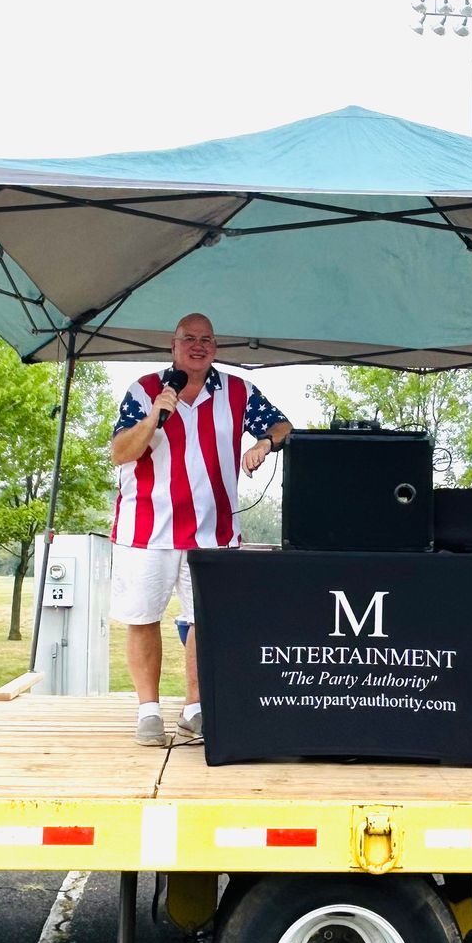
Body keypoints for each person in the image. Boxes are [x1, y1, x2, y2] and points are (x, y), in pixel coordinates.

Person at [108, 313, 291, 745]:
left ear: (216, 348)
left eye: (206, 339)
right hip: (147, 527)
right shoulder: (144, 390)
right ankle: (148, 712)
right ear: (172, 346)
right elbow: (121, 452)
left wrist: (263, 442)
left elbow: (283, 425)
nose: (198, 345)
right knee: (142, 616)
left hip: (213, 529)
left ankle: (195, 708)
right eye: (188, 338)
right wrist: (155, 415)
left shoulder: (238, 391)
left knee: (204, 620)